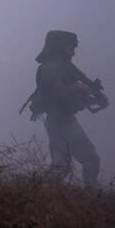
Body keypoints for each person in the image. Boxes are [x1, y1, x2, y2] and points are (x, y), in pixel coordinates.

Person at [34, 30, 108, 187]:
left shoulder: (64, 68)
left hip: (62, 120)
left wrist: (95, 100)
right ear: (59, 47)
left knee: (60, 168)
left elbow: (71, 99)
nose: (73, 53)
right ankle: (91, 199)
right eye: (70, 48)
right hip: (60, 121)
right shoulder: (49, 68)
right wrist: (78, 87)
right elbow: (58, 93)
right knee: (90, 159)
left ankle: (35, 191)